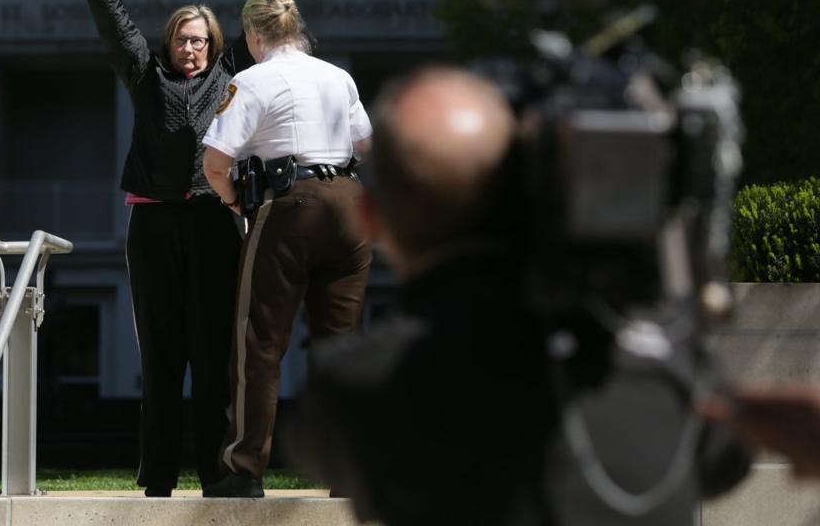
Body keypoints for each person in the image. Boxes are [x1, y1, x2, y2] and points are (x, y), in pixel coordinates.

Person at [288, 67, 750, 525]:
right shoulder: (664, 372)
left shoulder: (358, 387)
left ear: (370, 219)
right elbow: (725, 460)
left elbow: (321, 448)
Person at [71, 0, 311, 497]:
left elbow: (271, 22)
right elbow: (115, 25)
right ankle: (155, 480)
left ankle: (215, 474)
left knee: (212, 355)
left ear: (216, 46)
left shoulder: (233, 74)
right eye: (182, 39)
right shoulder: (145, 76)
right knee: (160, 356)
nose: (191, 48)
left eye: (201, 39)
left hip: (212, 222)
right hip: (152, 223)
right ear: (169, 43)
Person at [199, 0, 373, 498]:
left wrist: (235, 203)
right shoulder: (338, 76)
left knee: (259, 344)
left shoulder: (251, 80)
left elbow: (215, 163)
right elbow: (365, 144)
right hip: (348, 204)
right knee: (342, 345)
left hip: (289, 205)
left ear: (255, 34)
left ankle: (245, 468)